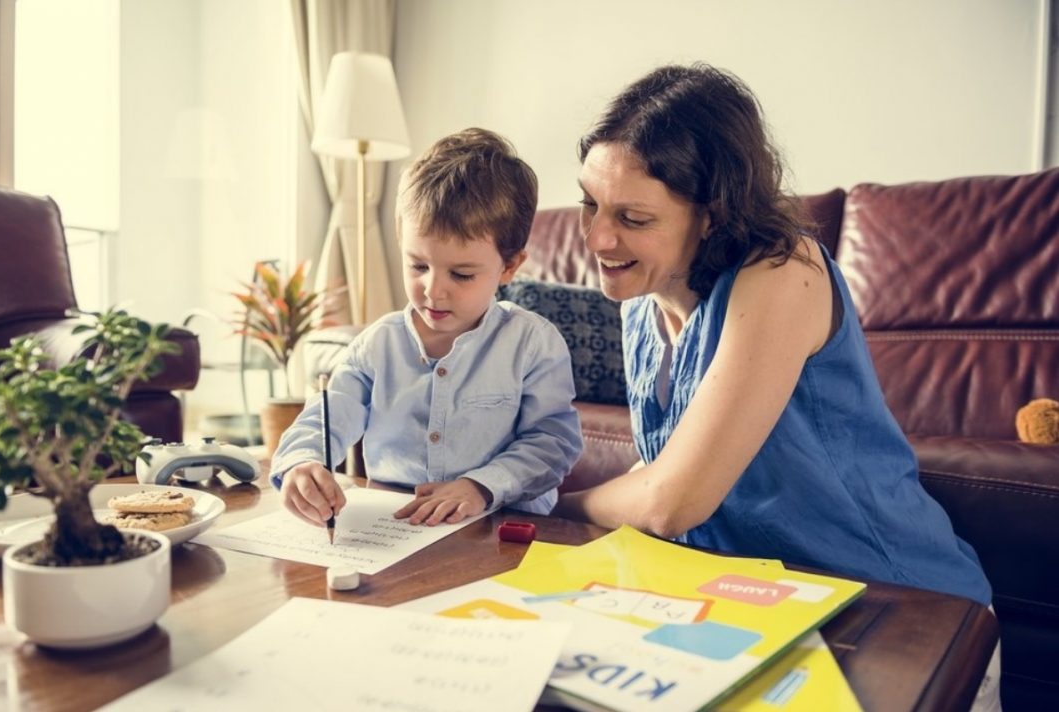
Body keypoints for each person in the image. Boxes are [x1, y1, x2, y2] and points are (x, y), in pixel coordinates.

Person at [554, 64, 1000, 710]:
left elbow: (670, 500)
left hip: (906, 612)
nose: (596, 237)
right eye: (589, 203)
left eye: (632, 217)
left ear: (710, 216)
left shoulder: (784, 270)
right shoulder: (639, 299)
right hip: (762, 612)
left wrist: (546, 506)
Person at [272, 127, 582, 527]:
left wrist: (480, 486)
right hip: (393, 526)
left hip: (499, 525)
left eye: (462, 274)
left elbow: (552, 443)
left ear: (509, 266)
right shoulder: (378, 344)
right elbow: (328, 415)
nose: (433, 291)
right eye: (418, 265)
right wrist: (302, 461)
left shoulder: (533, 343)